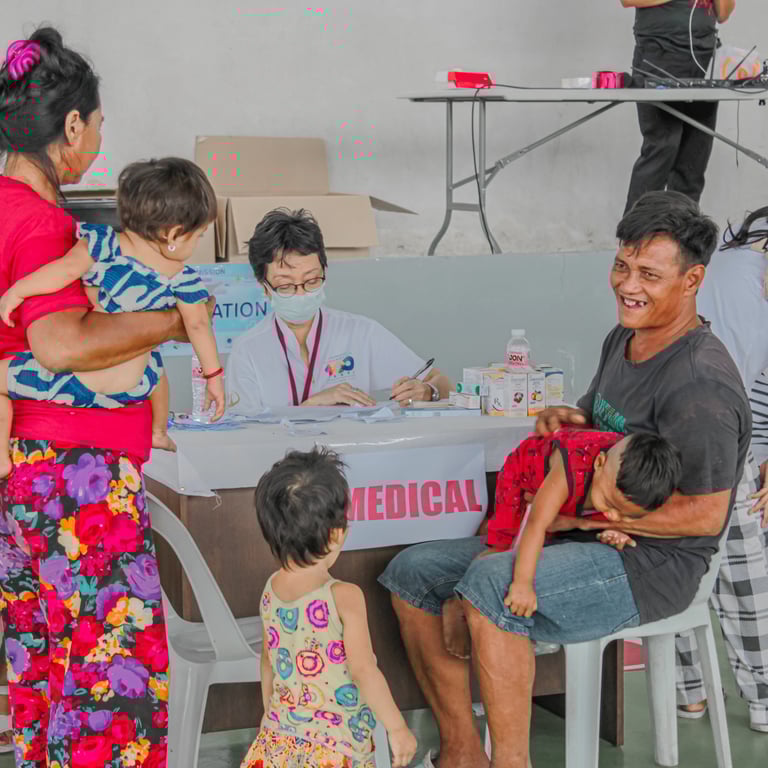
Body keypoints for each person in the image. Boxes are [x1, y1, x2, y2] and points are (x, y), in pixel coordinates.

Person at [378, 190, 751, 768]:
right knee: (413, 573)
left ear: (693, 280)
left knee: (493, 583)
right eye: (622, 266)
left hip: (652, 565)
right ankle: (462, 753)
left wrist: (588, 518)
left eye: (649, 275)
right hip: (577, 532)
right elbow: (600, 421)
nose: (628, 285)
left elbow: (705, 515)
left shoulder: (701, 384)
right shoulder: (622, 339)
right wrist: (569, 418)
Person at [0, 27, 203, 767]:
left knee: (45, 675)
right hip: (75, 476)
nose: (98, 141)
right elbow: (60, 342)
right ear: (72, 126)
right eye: (98, 125)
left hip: (26, 476)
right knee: (109, 692)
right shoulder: (40, 221)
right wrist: (176, 320)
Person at [0, 156, 225, 474]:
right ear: (174, 234)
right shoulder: (183, 278)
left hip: (74, 383)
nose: (197, 242)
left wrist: (18, 292)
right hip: (133, 388)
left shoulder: (101, 243)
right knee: (152, 356)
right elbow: (199, 325)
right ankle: (158, 431)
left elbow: (62, 271)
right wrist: (214, 377)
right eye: (198, 235)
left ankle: (0, 456)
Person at [242, 447, 418, 768]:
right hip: (335, 748)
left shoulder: (271, 589)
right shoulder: (343, 596)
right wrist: (397, 727)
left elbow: (268, 661)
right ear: (336, 534)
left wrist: (272, 718)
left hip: (277, 741)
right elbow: (363, 670)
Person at [442, 429, 682, 659]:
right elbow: (536, 524)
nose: (612, 516)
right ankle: (458, 601)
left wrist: (614, 529)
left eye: (627, 516)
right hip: (524, 476)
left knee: (547, 543)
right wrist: (523, 585)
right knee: (505, 548)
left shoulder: (617, 479)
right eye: (609, 505)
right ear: (599, 463)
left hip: (576, 489)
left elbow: (609, 512)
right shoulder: (571, 468)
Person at [674, 207, 768, 732]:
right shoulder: (747, 271)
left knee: (674, 559)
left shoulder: (725, 255)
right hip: (721, 434)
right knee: (745, 575)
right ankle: (764, 697)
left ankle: (688, 691)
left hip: (668, 429)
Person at [225, 209, 452, 412]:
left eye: (312, 281)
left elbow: (443, 383)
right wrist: (312, 405)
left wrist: (428, 391)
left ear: (324, 271)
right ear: (264, 288)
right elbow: (247, 433)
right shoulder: (248, 351)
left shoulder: (360, 332)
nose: (301, 294)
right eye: (285, 286)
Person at [621, 0, 735, 213]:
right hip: (660, 56)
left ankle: (681, 231)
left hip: (704, 58)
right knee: (663, 148)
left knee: (694, 159)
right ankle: (636, 232)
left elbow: (723, 14)